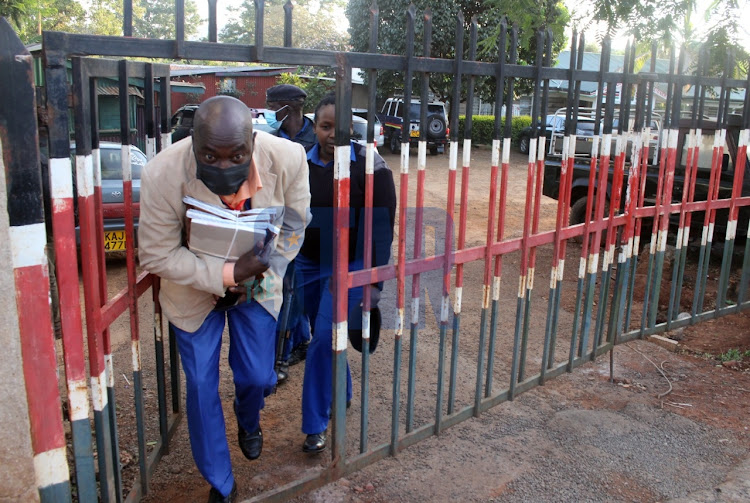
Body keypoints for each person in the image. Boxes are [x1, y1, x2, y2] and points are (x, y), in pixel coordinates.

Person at [137, 96, 310, 503]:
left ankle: (248, 418)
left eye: (235, 155)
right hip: (193, 289)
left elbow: (294, 227)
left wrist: (265, 269)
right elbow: (157, 254)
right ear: (192, 142)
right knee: (200, 386)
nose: (222, 166)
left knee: (257, 376)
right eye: (208, 156)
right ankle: (221, 482)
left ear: (253, 141)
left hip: (260, 282)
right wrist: (228, 275)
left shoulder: (288, 157)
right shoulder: (162, 172)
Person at [298, 92, 396, 453]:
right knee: (325, 335)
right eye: (325, 127)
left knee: (322, 339)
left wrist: (375, 283)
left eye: (340, 128)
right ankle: (344, 389)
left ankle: (314, 424)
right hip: (308, 261)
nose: (332, 135)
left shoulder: (370, 164)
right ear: (315, 127)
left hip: (351, 263)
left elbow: (382, 227)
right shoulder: (301, 162)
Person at [265, 83, 315, 383]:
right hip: (284, 227)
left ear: (289, 107)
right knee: (286, 290)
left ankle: (297, 343)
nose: (268, 111)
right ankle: (282, 356)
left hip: (317, 223)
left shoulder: (318, 135)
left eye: (271, 105)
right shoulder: (270, 140)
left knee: (301, 291)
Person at [265, 83, 317, 149]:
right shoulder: (269, 140)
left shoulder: (320, 139)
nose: (268, 111)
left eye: (271, 107)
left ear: (287, 110)